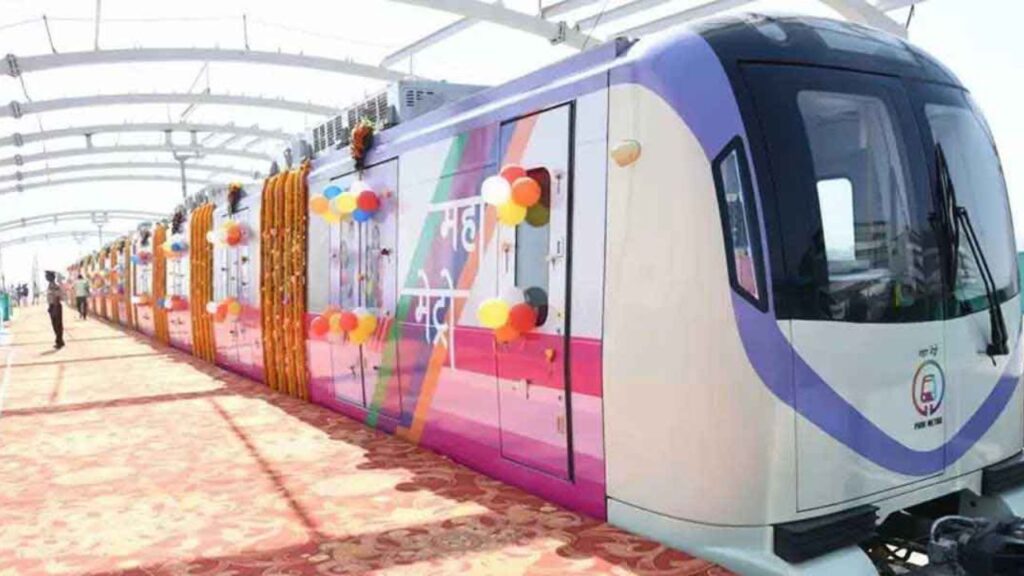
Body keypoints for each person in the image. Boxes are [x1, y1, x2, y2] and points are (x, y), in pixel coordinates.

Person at [45, 271, 64, 349]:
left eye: (47, 276)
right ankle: (60, 340)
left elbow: (57, 297)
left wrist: (54, 308)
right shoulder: (50, 285)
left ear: (51, 277)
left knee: (58, 325)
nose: (46, 277)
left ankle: (59, 341)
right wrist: (50, 307)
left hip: (56, 306)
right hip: (52, 306)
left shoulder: (54, 286)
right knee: (54, 325)